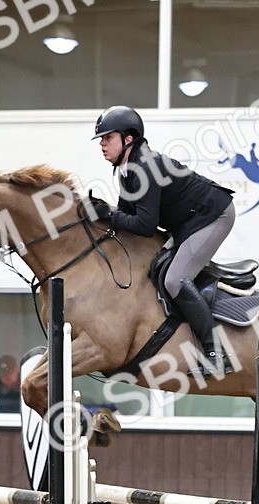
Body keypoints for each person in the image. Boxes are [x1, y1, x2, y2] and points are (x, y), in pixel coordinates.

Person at [88, 105, 235, 375]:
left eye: (108, 137)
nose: (102, 144)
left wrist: (108, 213)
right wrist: (103, 215)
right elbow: (126, 215)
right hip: (189, 222)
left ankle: (216, 353)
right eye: (101, 139)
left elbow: (144, 225)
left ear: (128, 138)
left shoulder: (144, 166)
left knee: (174, 279)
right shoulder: (126, 168)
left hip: (213, 216)